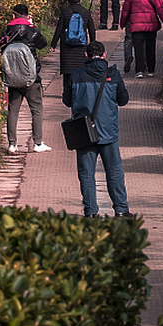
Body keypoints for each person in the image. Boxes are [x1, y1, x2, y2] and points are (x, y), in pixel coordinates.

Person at [66, 40, 130, 217]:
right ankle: (121, 210)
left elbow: (67, 100)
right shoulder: (113, 75)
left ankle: (91, 212)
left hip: (84, 132)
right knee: (114, 172)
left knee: (86, 174)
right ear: (104, 54)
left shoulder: (76, 75)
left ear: (86, 55)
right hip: (108, 132)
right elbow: (123, 100)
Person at [0, 4, 51, 154]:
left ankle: (12, 144)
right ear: (27, 15)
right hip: (31, 77)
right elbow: (43, 45)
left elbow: (1, 47)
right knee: (36, 110)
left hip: (13, 77)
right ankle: (37, 143)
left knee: (13, 111)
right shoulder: (32, 31)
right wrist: (33, 26)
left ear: (14, 16)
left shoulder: (7, 32)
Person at [54, 0, 98, 90]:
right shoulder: (85, 12)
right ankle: (79, 91)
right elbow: (92, 30)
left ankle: (67, 93)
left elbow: (59, 29)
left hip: (67, 47)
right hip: (81, 47)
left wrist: (53, 44)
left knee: (67, 74)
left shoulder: (65, 12)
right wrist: (92, 45)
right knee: (81, 71)